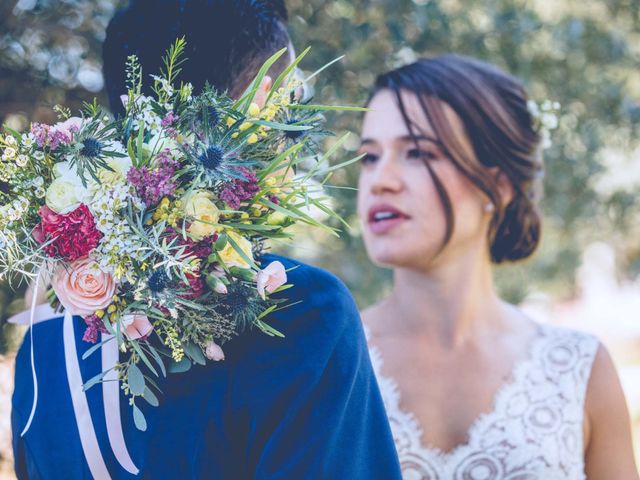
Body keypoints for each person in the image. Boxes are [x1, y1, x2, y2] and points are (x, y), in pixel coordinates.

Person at [11, 1, 402, 478]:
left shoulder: (44, 344)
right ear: (254, 111)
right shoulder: (301, 312)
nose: (299, 147)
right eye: (293, 111)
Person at [357, 55, 639, 479]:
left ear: (499, 185)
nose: (381, 179)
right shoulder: (328, 358)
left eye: (416, 152)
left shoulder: (577, 369)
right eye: (368, 157)